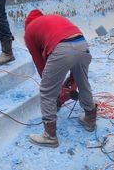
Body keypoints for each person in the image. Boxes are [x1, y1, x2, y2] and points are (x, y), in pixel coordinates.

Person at [24, 9, 97, 147]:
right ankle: (90, 118)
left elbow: (40, 64)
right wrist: (68, 82)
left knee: (46, 91)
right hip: (82, 44)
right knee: (83, 82)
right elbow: (72, 45)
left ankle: (49, 136)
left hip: (61, 48)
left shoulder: (29, 31)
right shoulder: (52, 18)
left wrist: (52, 87)